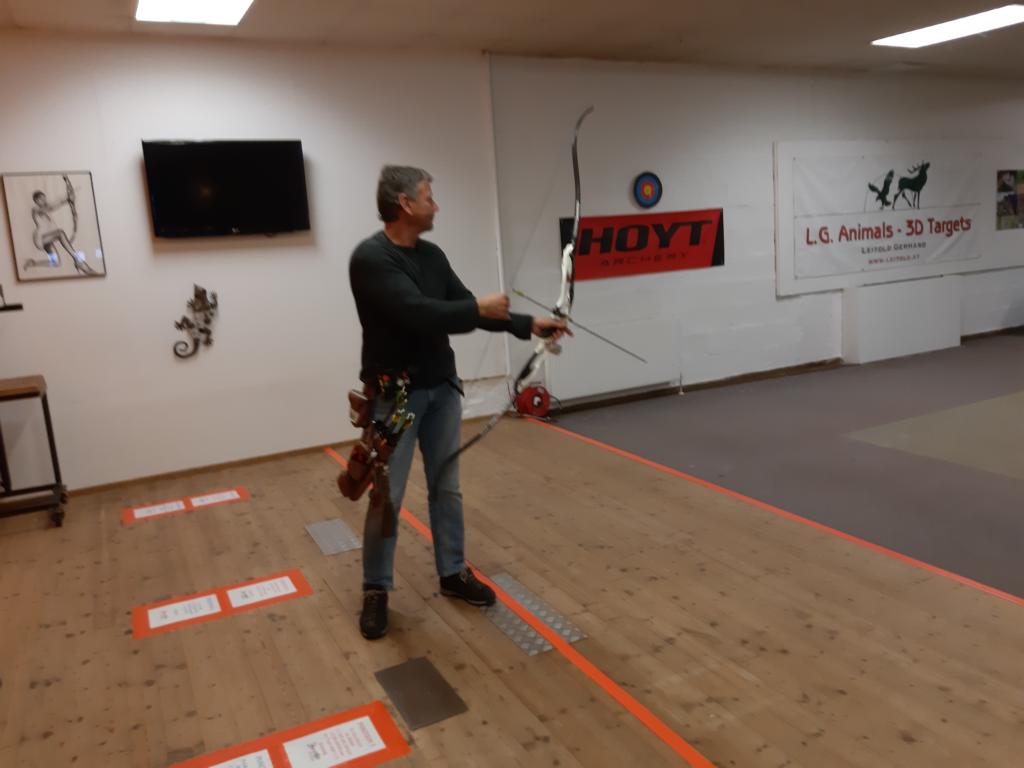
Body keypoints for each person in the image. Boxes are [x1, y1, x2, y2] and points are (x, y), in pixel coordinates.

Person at [348, 165, 569, 640]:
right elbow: (417, 312)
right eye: (429, 196)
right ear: (405, 204)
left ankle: (452, 573)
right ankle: (376, 589)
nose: (436, 205)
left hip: (441, 389)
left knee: (447, 489)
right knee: (387, 497)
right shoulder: (371, 259)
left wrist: (528, 324)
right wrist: (476, 309)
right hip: (397, 397)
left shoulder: (432, 255)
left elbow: (467, 307)